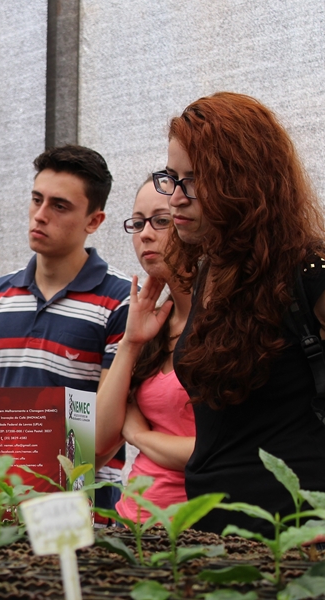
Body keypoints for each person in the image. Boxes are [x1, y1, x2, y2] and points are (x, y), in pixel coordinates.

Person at [148, 92, 325, 554]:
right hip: (218, 538)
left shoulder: (314, 276)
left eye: (197, 180)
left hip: (308, 544)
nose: (177, 198)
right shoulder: (209, 271)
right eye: (173, 178)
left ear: (245, 181)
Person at [0, 144, 131, 509]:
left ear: (94, 221)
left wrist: (46, 491)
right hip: (1, 498)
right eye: (36, 199)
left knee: (77, 569)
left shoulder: (121, 302)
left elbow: (110, 428)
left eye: (59, 206)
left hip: (82, 503)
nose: (40, 215)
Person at [95, 179, 195, 522]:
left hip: (196, 528)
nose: (145, 235)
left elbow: (211, 451)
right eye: (138, 223)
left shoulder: (222, 325)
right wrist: (130, 343)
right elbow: (98, 441)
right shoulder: (152, 324)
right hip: (133, 520)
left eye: (161, 221)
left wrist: (138, 435)